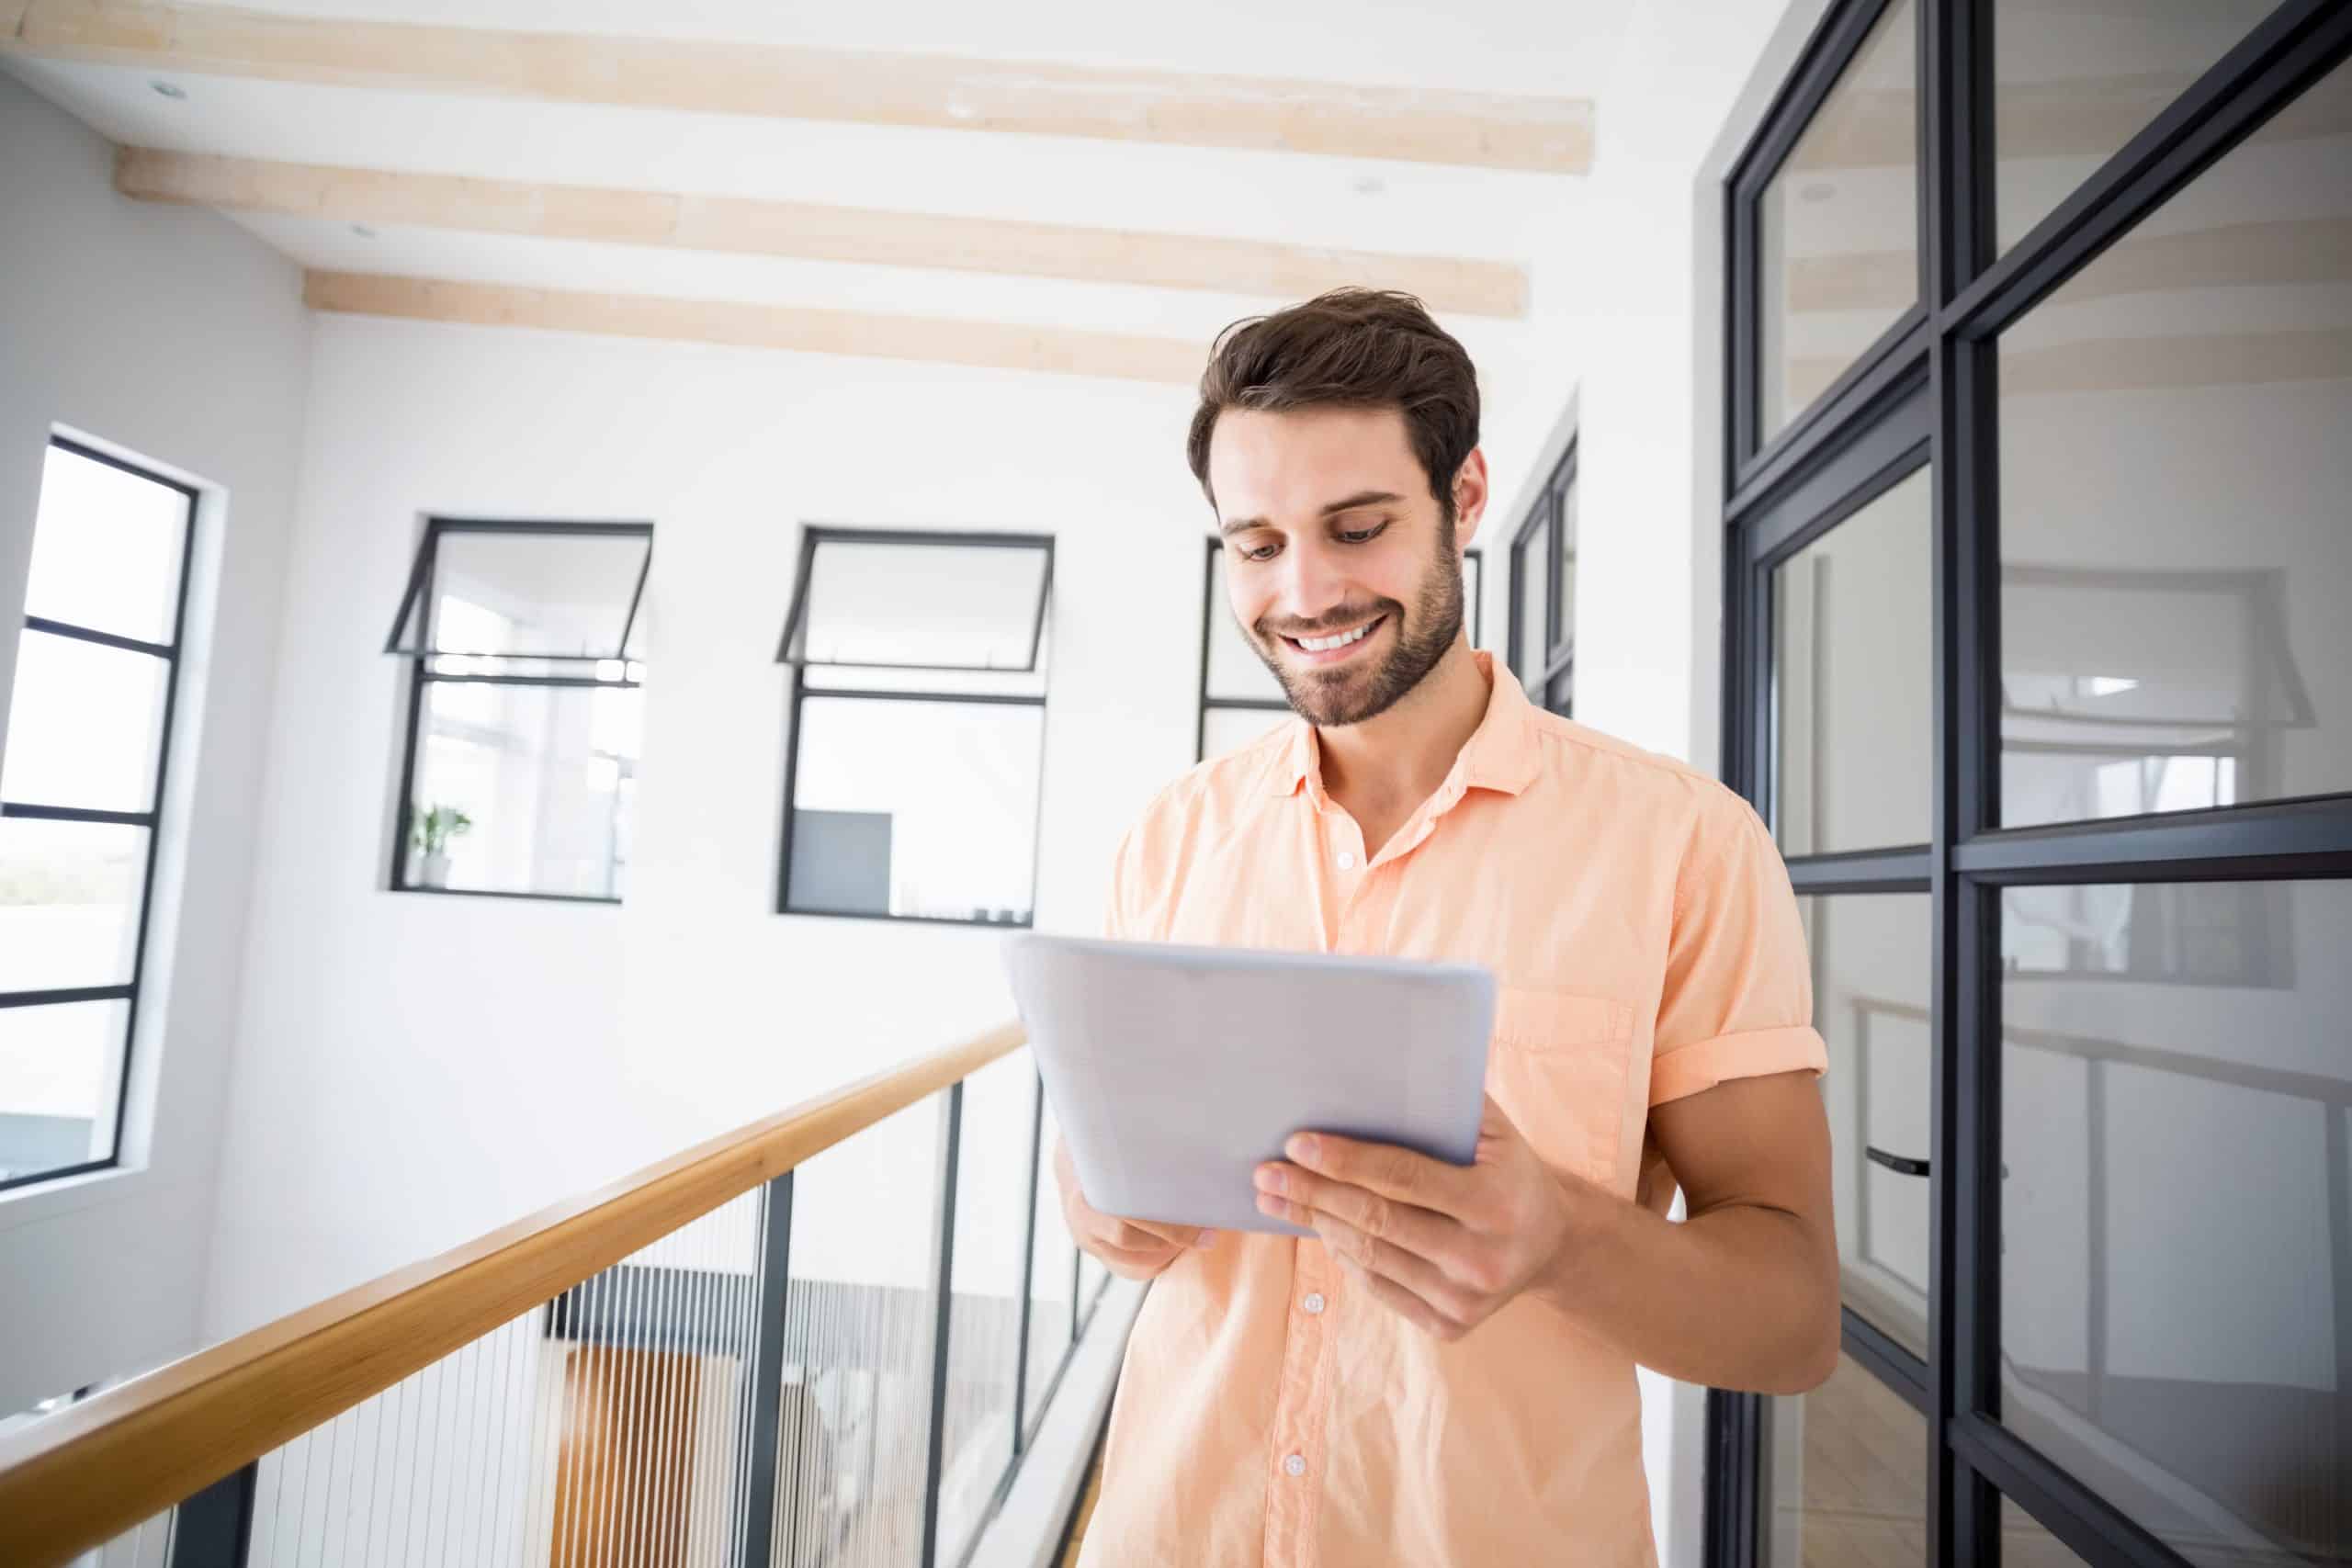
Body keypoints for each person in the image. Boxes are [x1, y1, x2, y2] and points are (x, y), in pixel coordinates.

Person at [1057, 289, 1838, 1567]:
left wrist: (1565, 1238)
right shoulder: (1173, 836)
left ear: (1465, 499)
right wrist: (1096, 1204)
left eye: (1356, 529)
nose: (1303, 592)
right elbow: (1105, 1181)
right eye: (1255, 545)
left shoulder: (1685, 846)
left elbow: (1794, 1322)